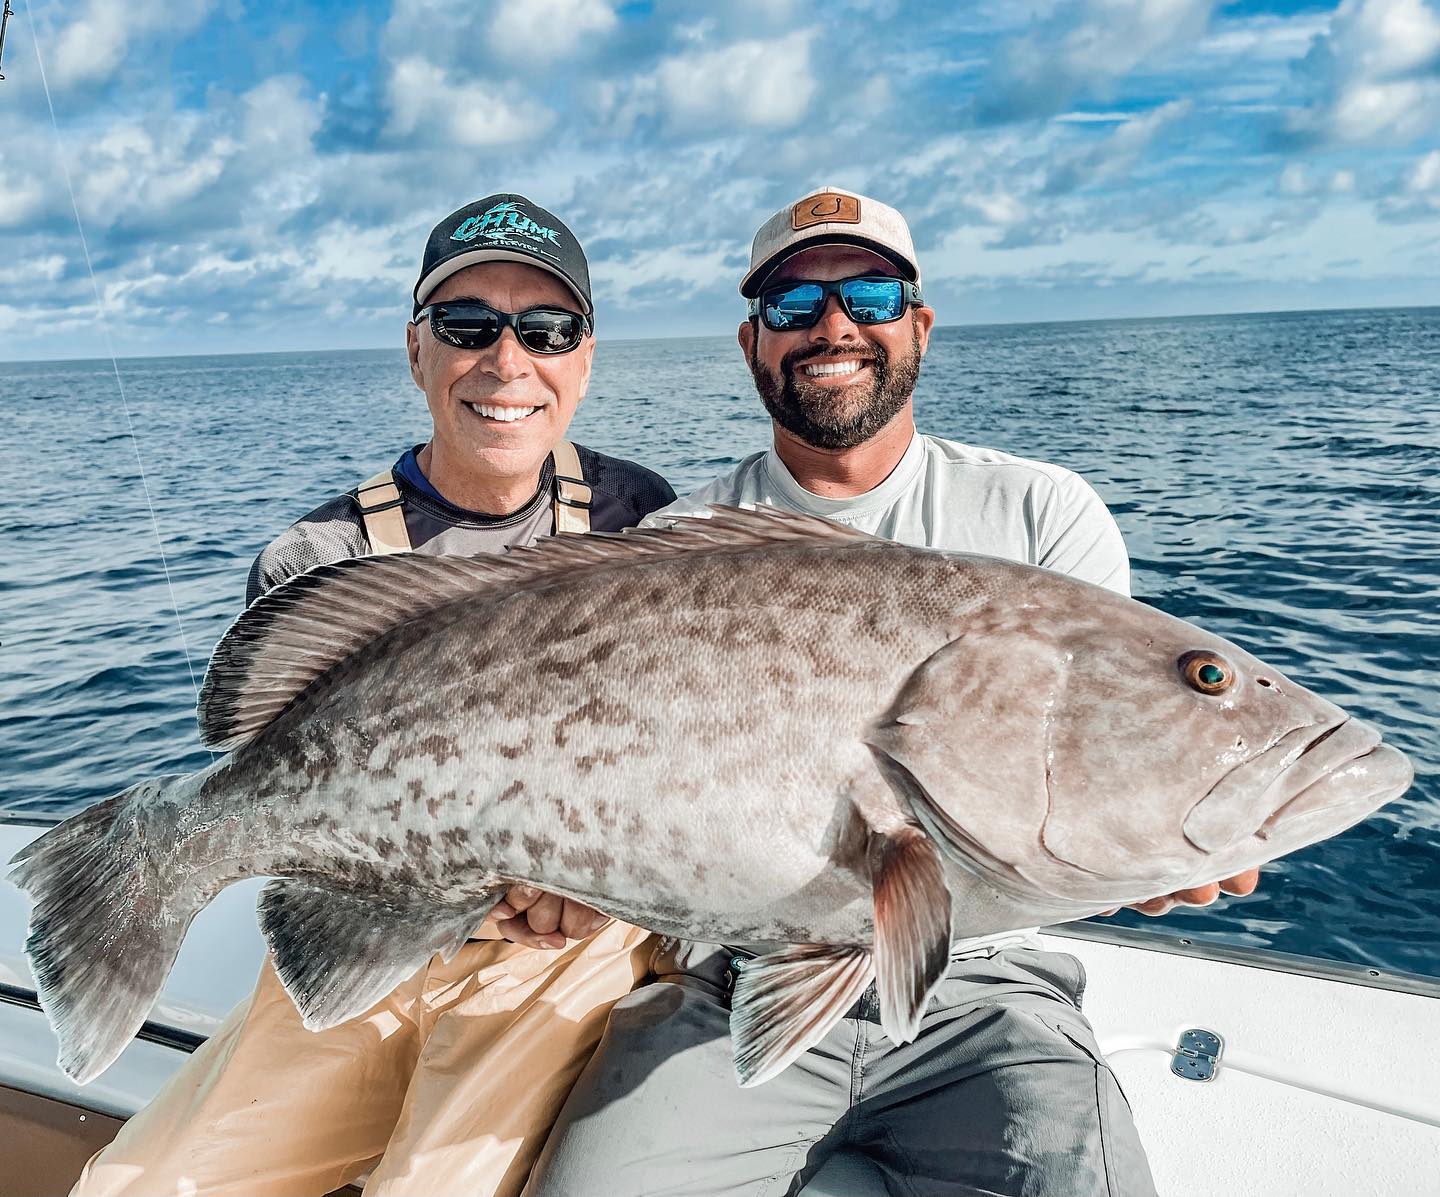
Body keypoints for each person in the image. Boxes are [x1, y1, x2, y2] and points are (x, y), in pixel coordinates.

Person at [522, 186, 1260, 1197]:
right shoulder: (671, 550)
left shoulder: (1041, 513)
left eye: (869, 293)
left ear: (917, 324)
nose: (833, 326)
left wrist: (1151, 843)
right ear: (751, 343)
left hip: (990, 990)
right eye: (792, 304)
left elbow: (1087, 773)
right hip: (725, 977)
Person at [71, 193, 675, 1197]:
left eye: (546, 328)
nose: (507, 360)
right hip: (369, 939)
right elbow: (285, 790)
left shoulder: (640, 519)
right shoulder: (321, 561)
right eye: (468, 325)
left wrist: (594, 884)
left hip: (556, 963)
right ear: (416, 349)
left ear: (585, 355)